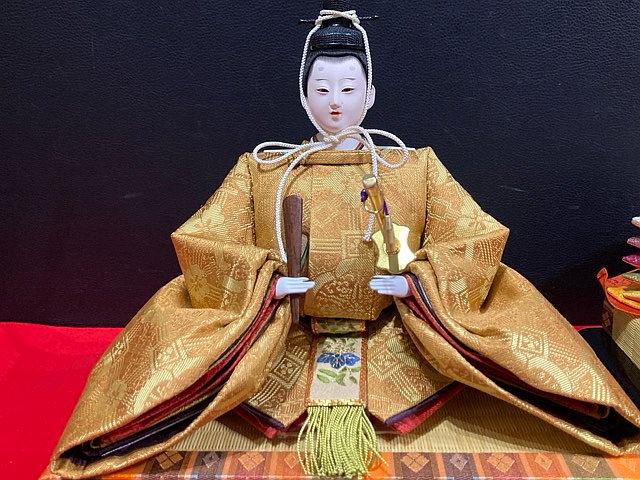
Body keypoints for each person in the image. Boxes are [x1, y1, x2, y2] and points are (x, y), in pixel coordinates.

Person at [46, 2, 640, 479]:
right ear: (303, 95)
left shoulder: (411, 166)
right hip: (280, 332)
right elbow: (203, 239)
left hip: (401, 331)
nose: (336, 103)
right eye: (323, 89)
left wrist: (418, 282)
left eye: (349, 88)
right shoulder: (264, 169)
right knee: (170, 338)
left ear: (370, 94)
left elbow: (476, 235)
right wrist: (265, 283)